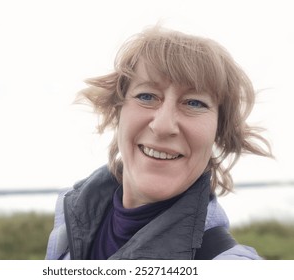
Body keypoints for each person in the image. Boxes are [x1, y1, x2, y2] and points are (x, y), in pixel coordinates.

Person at [45, 25, 273, 260]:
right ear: (117, 111)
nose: (163, 126)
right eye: (147, 96)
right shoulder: (69, 222)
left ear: (219, 131)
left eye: (194, 103)